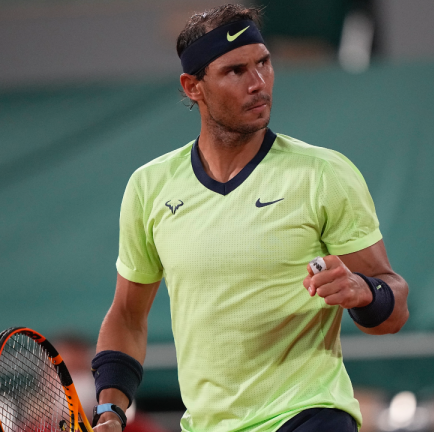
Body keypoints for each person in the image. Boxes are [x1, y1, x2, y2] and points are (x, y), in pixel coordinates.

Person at [91, 4, 409, 432]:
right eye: (235, 71)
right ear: (193, 87)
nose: (258, 83)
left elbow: (395, 307)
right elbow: (128, 317)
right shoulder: (149, 188)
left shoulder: (323, 174)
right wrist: (110, 410)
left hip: (309, 415)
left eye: (264, 63)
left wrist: (364, 292)